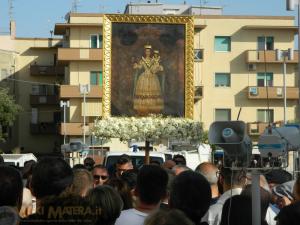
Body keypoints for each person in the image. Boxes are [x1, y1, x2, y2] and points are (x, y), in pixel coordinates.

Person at [133, 44, 164, 115]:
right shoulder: (142, 60)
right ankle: (143, 111)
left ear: (150, 52)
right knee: (143, 94)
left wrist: (158, 67)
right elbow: (140, 67)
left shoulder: (153, 60)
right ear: (145, 52)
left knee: (153, 93)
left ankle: (153, 110)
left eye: (149, 51)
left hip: (152, 77)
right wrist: (136, 66)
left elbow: (154, 68)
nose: (148, 53)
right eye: (146, 51)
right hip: (144, 77)